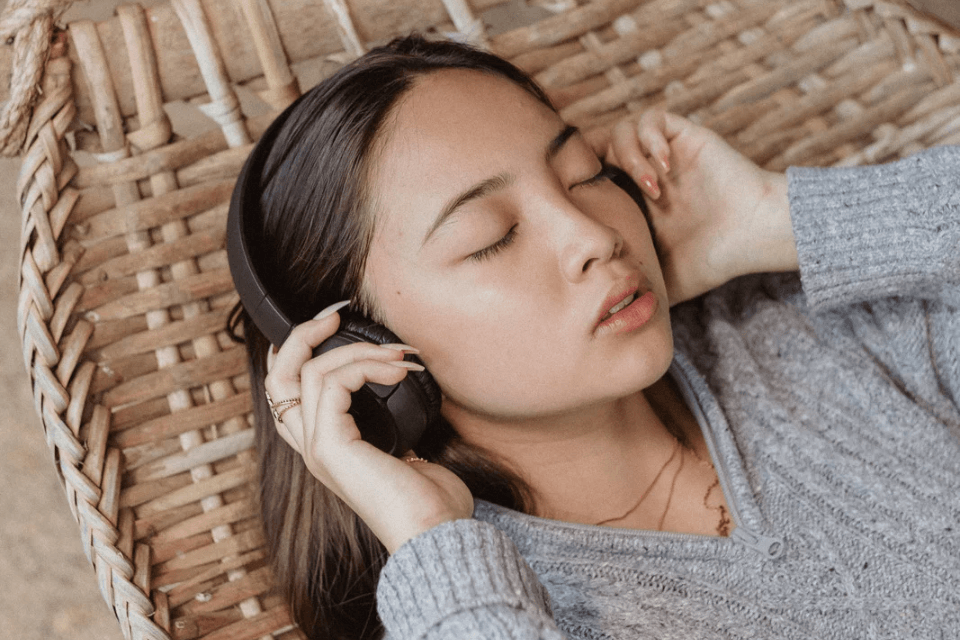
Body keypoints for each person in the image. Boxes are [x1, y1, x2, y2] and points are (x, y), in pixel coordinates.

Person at [229, 34, 960, 640]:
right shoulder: (461, 608)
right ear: (357, 348)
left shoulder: (802, 330)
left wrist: (784, 221)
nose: (594, 234)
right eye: (493, 237)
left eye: (585, 174)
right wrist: (429, 539)